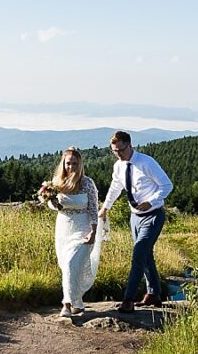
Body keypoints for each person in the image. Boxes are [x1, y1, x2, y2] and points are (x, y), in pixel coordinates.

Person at [100, 130, 173, 312]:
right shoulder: (119, 166)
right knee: (146, 255)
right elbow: (116, 186)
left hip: (153, 215)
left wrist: (151, 202)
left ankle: (128, 299)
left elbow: (167, 185)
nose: (118, 154)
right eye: (114, 151)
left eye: (121, 150)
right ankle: (154, 293)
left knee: (138, 254)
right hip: (135, 217)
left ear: (130, 145)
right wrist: (105, 208)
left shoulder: (147, 163)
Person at [37, 146, 105, 318]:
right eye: (68, 163)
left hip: (83, 229)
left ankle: (67, 304)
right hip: (64, 228)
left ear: (80, 164)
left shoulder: (87, 183)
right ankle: (78, 303)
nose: (71, 167)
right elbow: (51, 205)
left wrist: (94, 231)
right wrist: (53, 202)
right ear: (63, 163)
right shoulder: (57, 183)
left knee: (72, 264)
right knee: (67, 266)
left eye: (75, 163)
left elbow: (92, 209)